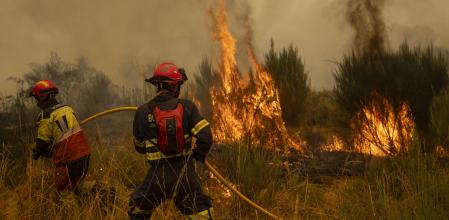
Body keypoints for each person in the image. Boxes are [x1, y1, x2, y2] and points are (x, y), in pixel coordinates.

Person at [128, 62, 214, 219]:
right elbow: (206, 137)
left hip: (157, 176)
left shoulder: (143, 111)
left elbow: (139, 147)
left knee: (137, 208)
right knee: (201, 212)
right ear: (174, 86)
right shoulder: (187, 107)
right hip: (185, 174)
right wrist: (196, 155)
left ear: (157, 85)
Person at [29, 79, 91, 192]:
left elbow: (42, 143)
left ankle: (97, 192)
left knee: (63, 191)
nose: (37, 102)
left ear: (42, 97)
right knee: (76, 185)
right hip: (84, 154)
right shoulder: (67, 108)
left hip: (68, 159)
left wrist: (36, 150)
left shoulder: (45, 115)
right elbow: (65, 136)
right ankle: (98, 192)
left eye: (36, 98)